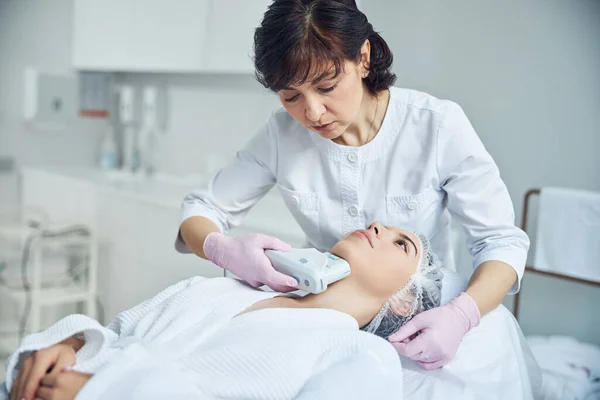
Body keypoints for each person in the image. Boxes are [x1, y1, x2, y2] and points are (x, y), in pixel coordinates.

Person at [176, 0, 530, 370]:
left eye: (326, 86)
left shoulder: (436, 126)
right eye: (290, 96)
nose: (312, 113)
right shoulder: (281, 135)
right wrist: (219, 247)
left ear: (362, 58)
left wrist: (461, 315)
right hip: (321, 322)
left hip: (415, 329)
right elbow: (202, 210)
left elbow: (500, 242)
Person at [6, 224, 442, 400]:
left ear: (405, 300)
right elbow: (115, 331)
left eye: (402, 244)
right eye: (382, 224)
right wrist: (68, 343)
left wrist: (106, 392)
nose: (380, 228)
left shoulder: (361, 356)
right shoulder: (220, 288)